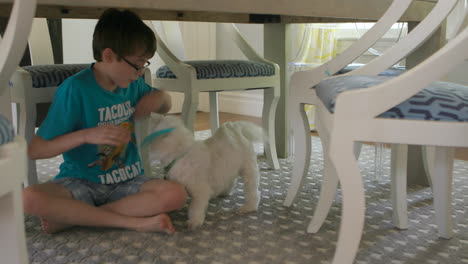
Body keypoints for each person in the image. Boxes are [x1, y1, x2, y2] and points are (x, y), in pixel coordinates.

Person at [22, 8, 187, 235]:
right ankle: (132, 221)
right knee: (29, 198)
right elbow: (36, 150)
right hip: (80, 182)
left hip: (128, 180)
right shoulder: (76, 89)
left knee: (176, 194)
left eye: (145, 65)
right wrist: (85, 135)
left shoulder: (133, 84)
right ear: (109, 55)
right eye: (138, 65)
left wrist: (161, 98)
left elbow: (165, 105)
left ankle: (79, 217)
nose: (140, 73)